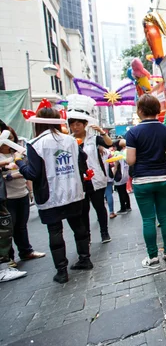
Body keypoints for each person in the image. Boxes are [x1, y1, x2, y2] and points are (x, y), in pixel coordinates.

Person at [15, 107, 93, 284]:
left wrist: (19, 162)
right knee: (78, 227)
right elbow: (82, 161)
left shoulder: (35, 144)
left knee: (55, 231)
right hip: (73, 191)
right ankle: (85, 259)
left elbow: (32, 173)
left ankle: (62, 271)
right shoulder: (71, 140)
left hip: (50, 196)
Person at [126, 94, 166, 269]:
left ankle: (153, 258)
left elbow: (130, 160)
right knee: (164, 217)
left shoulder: (132, 132)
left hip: (142, 180)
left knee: (148, 220)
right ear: (157, 110)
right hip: (162, 178)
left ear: (140, 111)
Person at [67, 94, 113, 244]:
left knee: (99, 207)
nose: (75, 127)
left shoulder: (94, 139)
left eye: (78, 124)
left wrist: (102, 131)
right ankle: (86, 236)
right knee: (83, 211)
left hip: (96, 179)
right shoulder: (68, 141)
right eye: (72, 124)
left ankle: (104, 232)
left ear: (84, 124)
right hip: (78, 181)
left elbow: (109, 143)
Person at [0, 126, 45, 267]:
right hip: (7, 196)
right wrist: (9, 171)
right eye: (6, 140)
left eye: (11, 138)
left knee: (21, 225)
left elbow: (29, 172)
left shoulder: (19, 153)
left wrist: (30, 191)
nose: (9, 143)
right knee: (8, 228)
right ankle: (8, 258)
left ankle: (26, 251)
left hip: (22, 193)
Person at [102, 147, 116, 219]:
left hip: (95, 177)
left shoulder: (89, 150)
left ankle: (100, 215)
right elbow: (112, 164)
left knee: (98, 197)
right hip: (107, 176)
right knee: (109, 194)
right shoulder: (107, 152)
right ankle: (111, 212)